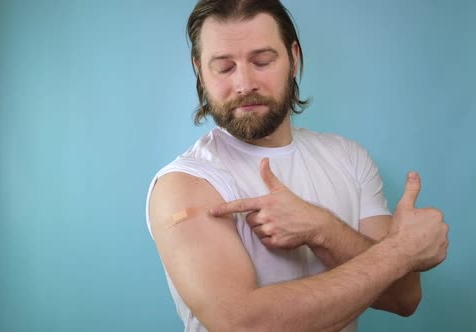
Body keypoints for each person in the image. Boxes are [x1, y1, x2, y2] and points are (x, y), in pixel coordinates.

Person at [146, 1, 449, 331]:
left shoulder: (349, 158)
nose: (245, 83)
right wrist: (402, 251)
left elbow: (403, 299)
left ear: (294, 58)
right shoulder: (184, 183)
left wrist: (322, 229)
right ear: (200, 72)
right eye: (224, 67)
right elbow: (244, 325)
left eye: (262, 61)